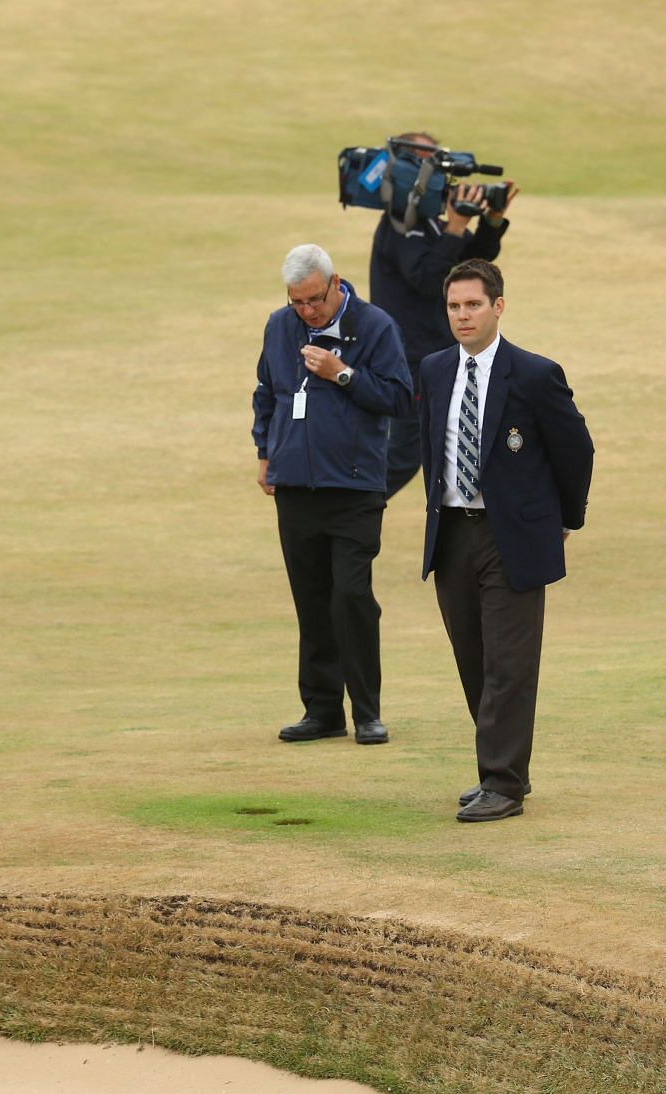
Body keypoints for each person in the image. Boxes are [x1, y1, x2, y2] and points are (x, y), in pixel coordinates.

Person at [419, 260, 591, 822]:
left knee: (509, 665)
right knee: (474, 659)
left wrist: (565, 518)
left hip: (512, 537)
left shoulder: (536, 374)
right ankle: (507, 768)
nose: (462, 316)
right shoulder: (435, 369)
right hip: (452, 534)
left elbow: (575, 450)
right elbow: (431, 450)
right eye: (453, 306)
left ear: (498, 306)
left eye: (472, 305)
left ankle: (501, 783)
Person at [252, 245, 412, 745]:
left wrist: (342, 374)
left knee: (352, 596)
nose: (307, 311)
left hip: (355, 485)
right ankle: (322, 710)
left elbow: (399, 397)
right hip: (295, 485)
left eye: (315, 300)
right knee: (312, 599)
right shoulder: (279, 326)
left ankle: (367, 711)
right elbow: (266, 392)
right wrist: (265, 451)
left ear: (335, 283)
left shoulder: (375, 326)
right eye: (297, 302)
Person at [368, 131, 516, 497]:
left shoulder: (430, 220)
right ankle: (350, 510)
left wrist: (492, 221)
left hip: (439, 356)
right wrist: (454, 226)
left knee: (455, 442)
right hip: (410, 360)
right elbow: (429, 279)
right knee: (404, 451)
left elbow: (472, 264)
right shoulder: (401, 225)